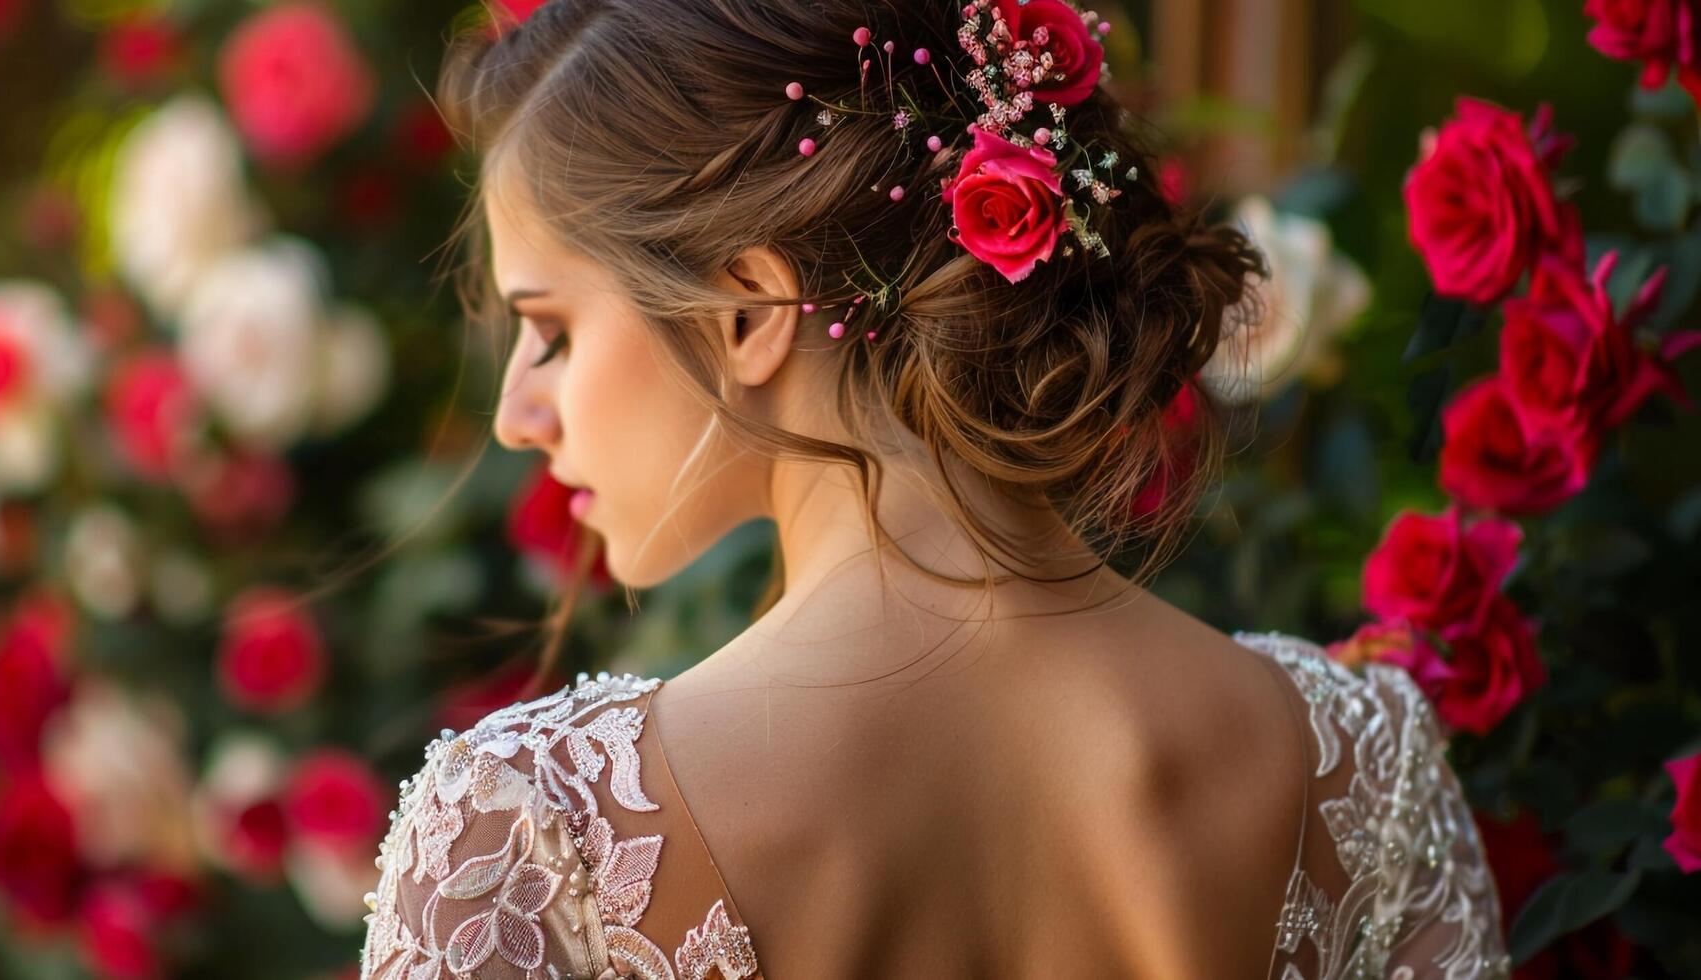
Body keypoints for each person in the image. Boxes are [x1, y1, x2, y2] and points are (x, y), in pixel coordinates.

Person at [359, 0, 1511, 976]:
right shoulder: (1367, 759)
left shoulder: (528, 830)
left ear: (745, 312)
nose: (517, 412)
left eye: (549, 329)